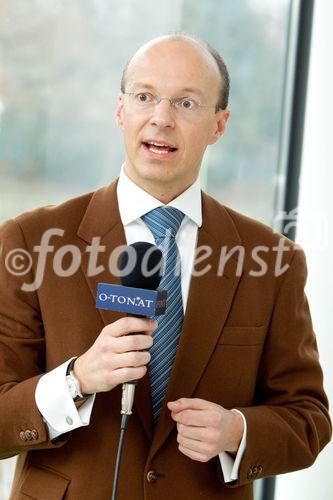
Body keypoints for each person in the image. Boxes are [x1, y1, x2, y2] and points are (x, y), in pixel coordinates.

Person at [0, 34, 331, 500]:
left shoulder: (272, 260)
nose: (161, 117)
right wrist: (76, 380)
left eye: (187, 102)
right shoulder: (31, 241)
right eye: (144, 96)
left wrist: (236, 431)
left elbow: (309, 419)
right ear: (120, 111)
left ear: (219, 125)